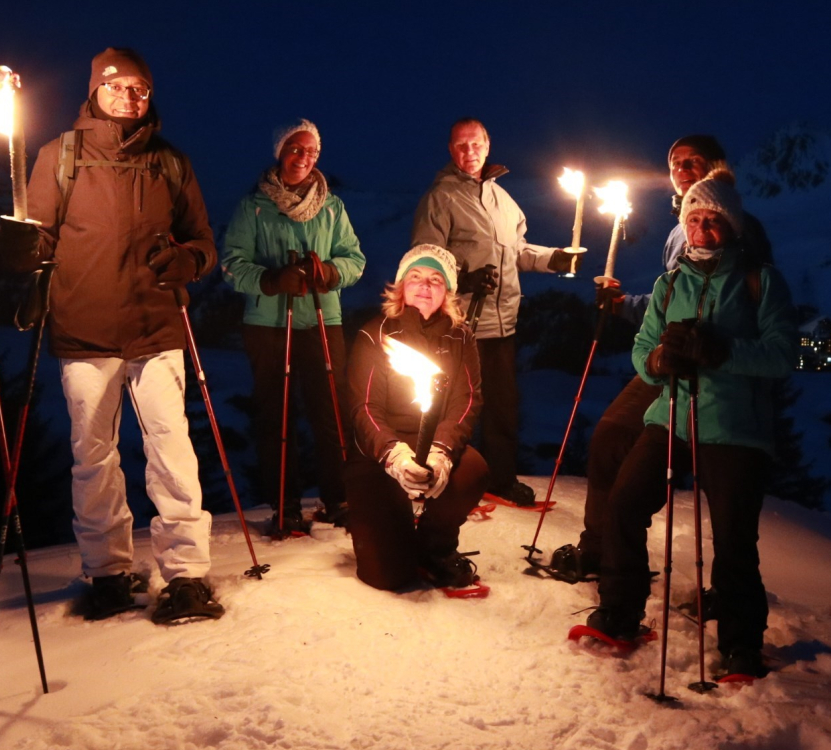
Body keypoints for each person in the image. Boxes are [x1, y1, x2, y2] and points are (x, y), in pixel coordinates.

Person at [0, 47, 223, 625]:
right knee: (93, 457)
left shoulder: (170, 162)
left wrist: (186, 261)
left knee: (171, 449)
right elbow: (41, 238)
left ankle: (186, 575)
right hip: (85, 327)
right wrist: (24, 248)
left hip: (155, 327)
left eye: (140, 88)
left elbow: (202, 241)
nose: (130, 96)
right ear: (96, 89)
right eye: (118, 85)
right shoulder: (59, 156)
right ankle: (108, 571)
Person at [583, 169, 797, 679]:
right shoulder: (670, 282)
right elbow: (641, 348)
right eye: (694, 220)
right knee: (625, 503)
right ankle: (621, 610)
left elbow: (783, 354)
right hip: (672, 416)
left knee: (733, 540)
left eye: (713, 221)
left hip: (734, 427)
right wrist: (657, 361)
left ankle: (741, 644)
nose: (702, 230)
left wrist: (720, 352)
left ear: (732, 227)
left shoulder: (758, 281)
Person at [553, 135, 773, 581]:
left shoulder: (738, 226)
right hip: (669, 362)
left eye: (693, 161)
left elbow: (748, 303)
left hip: (716, 372)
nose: (682, 168)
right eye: (675, 162)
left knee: (721, 492)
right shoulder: (678, 231)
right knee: (611, 436)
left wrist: (718, 348)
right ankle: (600, 549)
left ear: (716, 165)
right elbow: (668, 299)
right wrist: (622, 306)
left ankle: (727, 593)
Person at [411, 117, 577, 507]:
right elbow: (423, 260)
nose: (469, 152)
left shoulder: (503, 201)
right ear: (451, 150)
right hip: (459, 323)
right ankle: (439, 479)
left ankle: (500, 478)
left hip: (502, 321)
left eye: (475, 144)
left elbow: (516, 251)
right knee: (455, 407)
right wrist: (461, 280)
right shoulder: (440, 198)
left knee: (503, 406)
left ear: (488, 147)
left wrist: (555, 259)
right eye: (460, 145)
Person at [221, 119, 367, 535]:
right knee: (275, 413)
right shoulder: (253, 207)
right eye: (296, 149)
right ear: (280, 150)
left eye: (311, 151)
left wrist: (331, 273)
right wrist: (271, 280)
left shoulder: (332, 207)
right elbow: (232, 263)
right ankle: (284, 503)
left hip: (323, 317)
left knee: (330, 410)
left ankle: (337, 497)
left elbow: (354, 259)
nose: (304, 158)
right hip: (269, 324)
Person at [344, 245, 491, 591]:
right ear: (400, 287)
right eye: (416, 277)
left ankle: (434, 546)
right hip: (378, 453)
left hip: (434, 438)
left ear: (448, 292)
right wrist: (393, 455)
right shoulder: (375, 334)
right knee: (390, 577)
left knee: (474, 469)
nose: (425, 285)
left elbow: (466, 401)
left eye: (436, 279)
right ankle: (389, 528)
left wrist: (442, 451)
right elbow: (364, 408)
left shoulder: (460, 336)